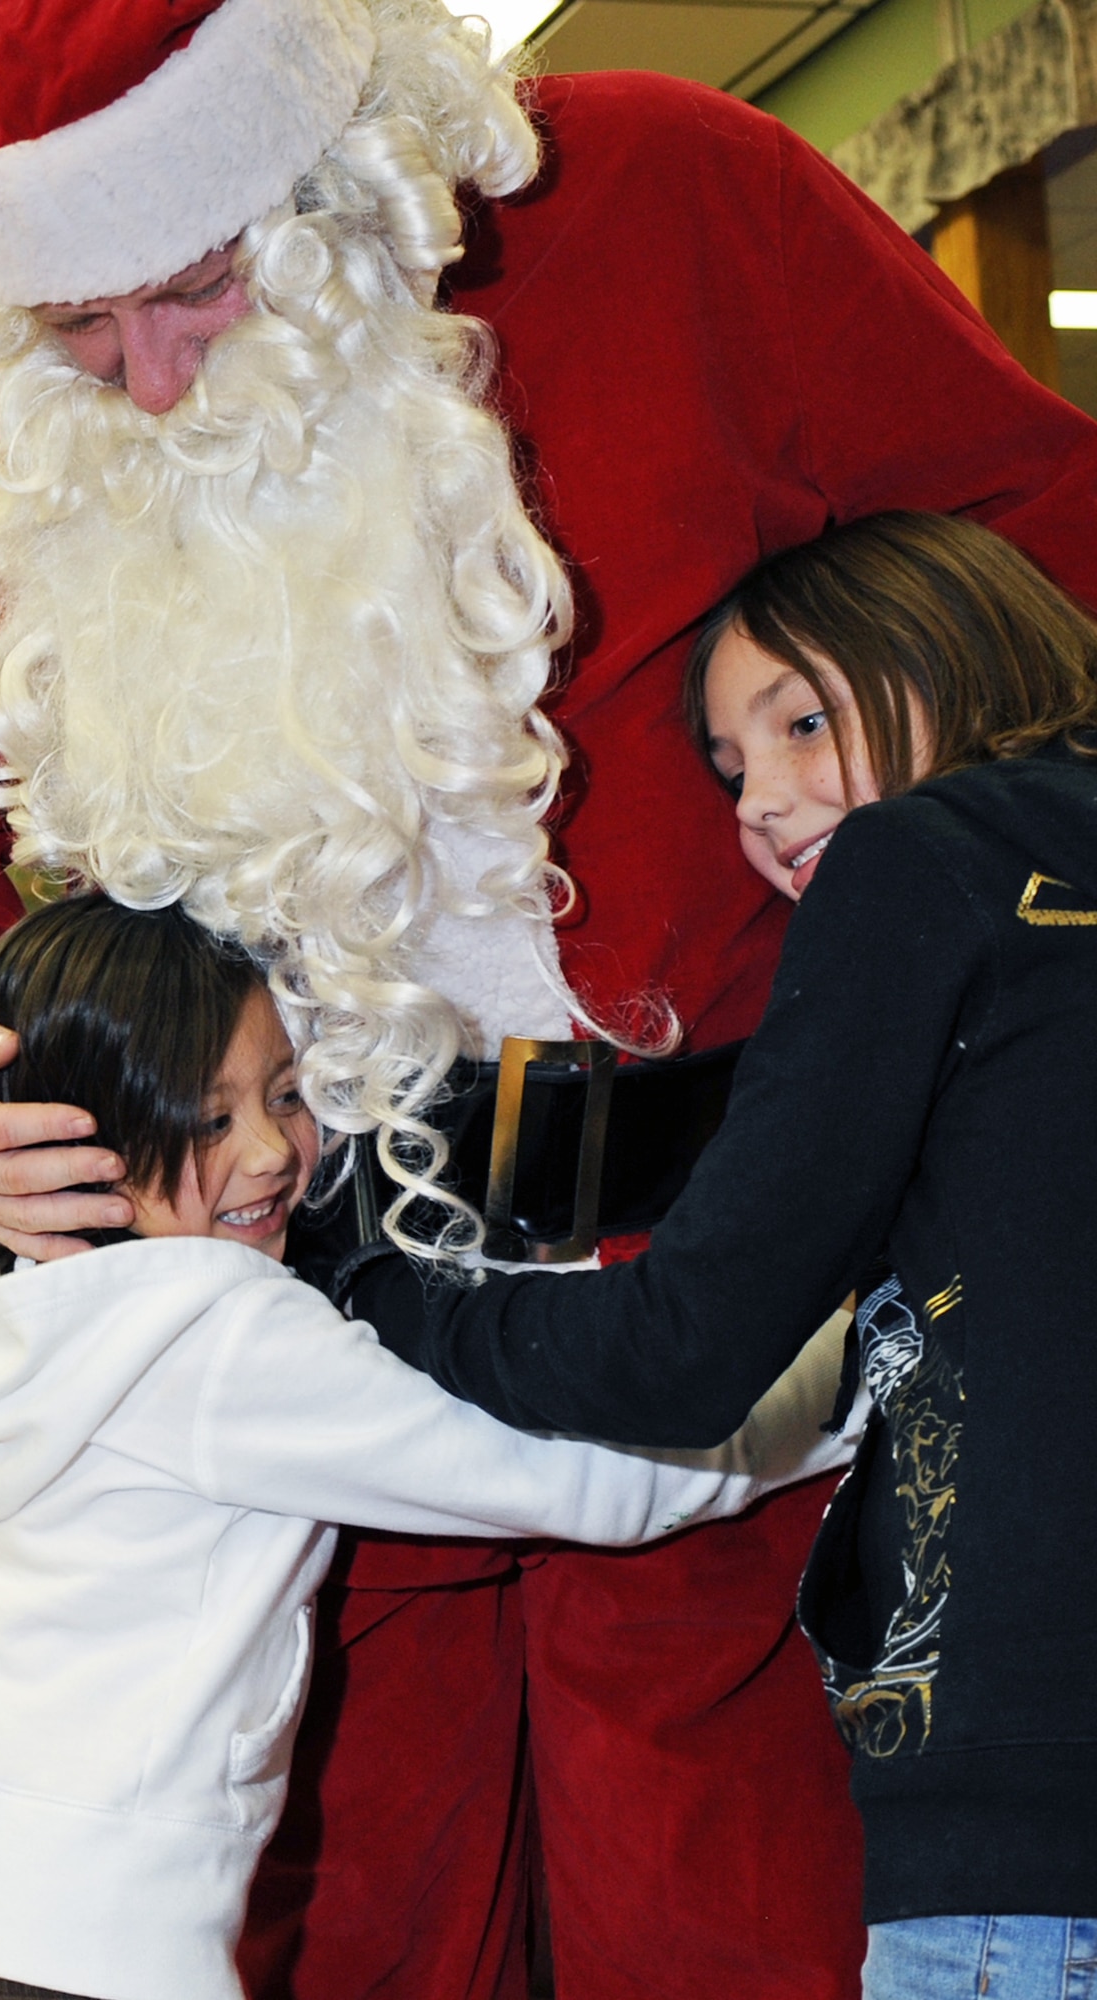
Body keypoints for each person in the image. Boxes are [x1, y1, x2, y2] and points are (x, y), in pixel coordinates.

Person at [0, 1, 1097, 1991]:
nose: (139, 379)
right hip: (299, 1316)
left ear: (321, 166)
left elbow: (1040, 551)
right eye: (73, 326)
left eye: (199, 285)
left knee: (737, 1936)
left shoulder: (670, 200)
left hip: (737, 1278)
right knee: (347, 1933)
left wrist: (911, 882)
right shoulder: (0, 450)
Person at [0, 890, 859, 2000]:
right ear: (75, 1137)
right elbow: (581, 1476)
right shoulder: (212, 1327)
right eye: (202, 1119)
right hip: (103, 1964)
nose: (266, 1151)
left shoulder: (23, 1322)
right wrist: (851, 1370)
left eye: (285, 1094)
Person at [352, 511, 1097, 1999]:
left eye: (804, 718)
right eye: (733, 768)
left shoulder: (921, 860)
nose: (763, 803)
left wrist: (386, 1286)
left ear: (948, 647)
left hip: (1029, 1824)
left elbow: (678, 1355)